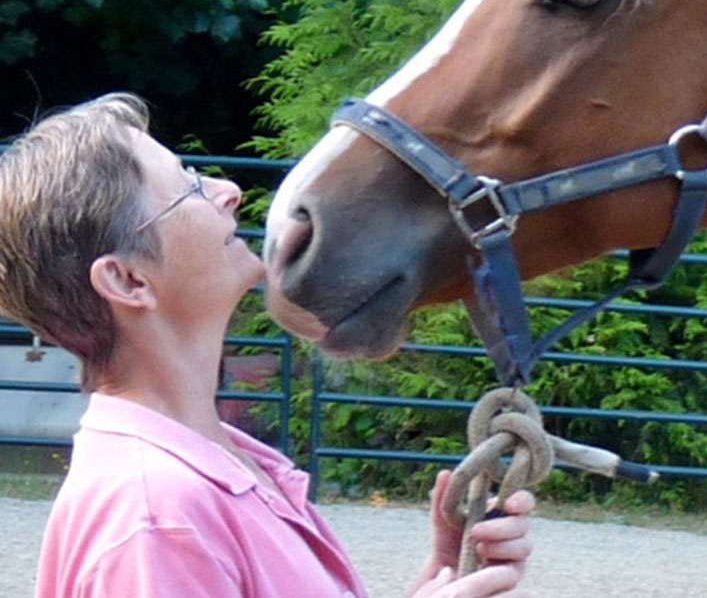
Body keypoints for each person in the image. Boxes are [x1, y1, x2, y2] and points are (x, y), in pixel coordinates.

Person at [0, 93, 534, 598]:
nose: (225, 190)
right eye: (188, 188)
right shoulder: (159, 516)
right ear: (128, 281)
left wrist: (443, 573)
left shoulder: (222, 462)